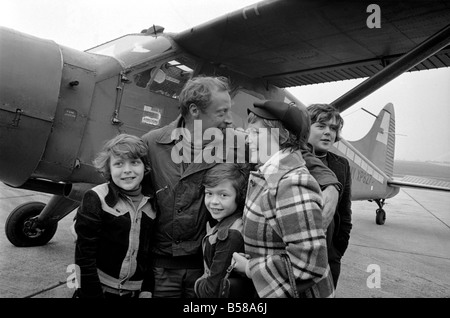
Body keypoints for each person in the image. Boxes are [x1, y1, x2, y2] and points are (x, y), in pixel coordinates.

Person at [142, 76, 339, 298]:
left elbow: (291, 149)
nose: (229, 120)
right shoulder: (152, 143)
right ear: (195, 111)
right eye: (221, 112)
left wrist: (329, 181)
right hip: (162, 265)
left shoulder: (240, 143)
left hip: (208, 263)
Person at [233, 100, 335, 298]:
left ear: (282, 136)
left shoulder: (292, 183)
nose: (248, 140)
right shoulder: (273, 176)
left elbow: (309, 264)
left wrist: (250, 268)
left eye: (255, 133)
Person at [74, 134, 156, 298]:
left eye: (134, 162)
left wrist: (147, 288)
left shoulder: (153, 203)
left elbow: (151, 252)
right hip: (100, 290)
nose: (127, 170)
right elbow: (84, 256)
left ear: (145, 166)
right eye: (118, 164)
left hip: (135, 291)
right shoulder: (96, 198)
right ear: (109, 169)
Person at [307, 103, 352, 288]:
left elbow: (345, 212)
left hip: (329, 253)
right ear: (304, 127)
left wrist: (337, 251)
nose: (328, 132)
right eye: (321, 126)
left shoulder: (341, 165)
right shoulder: (291, 159)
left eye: (333, 128)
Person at [194, 163, 255, 298]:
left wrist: (198, 284)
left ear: (239, 197)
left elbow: (212, 291)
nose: (214, 201)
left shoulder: (230, 235)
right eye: (209, 193)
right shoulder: (222, 224)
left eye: (223, 195)